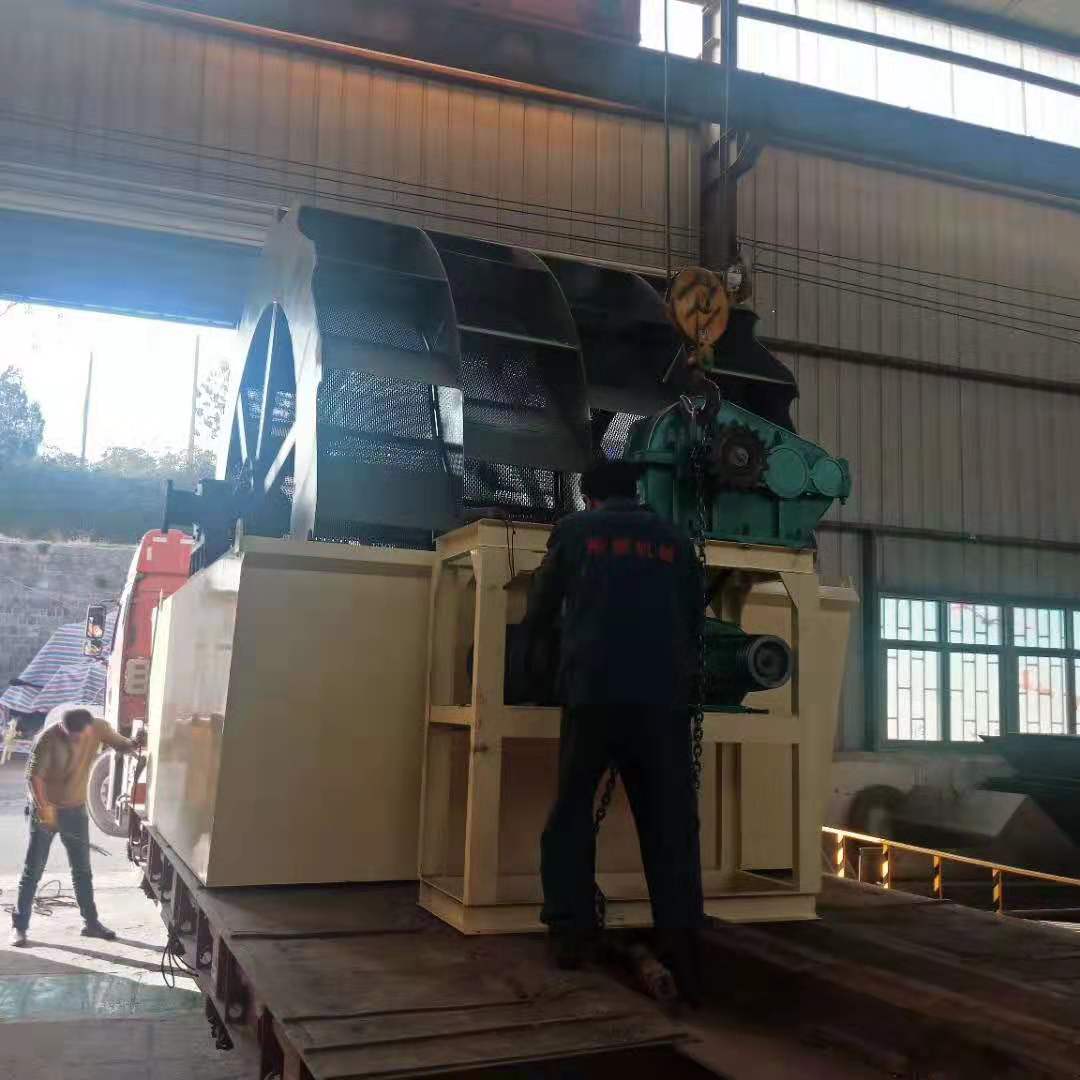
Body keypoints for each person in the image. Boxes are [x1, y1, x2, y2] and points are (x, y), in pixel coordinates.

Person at [523, 459, 705, 997]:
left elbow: (540, 608)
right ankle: (681, 940)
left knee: (572, 814)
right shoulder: (676, 541)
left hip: (593, 694)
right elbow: (694, 616)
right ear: (636, 492)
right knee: (669, 823)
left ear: (589, 497)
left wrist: (536, 661)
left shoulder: (575, 531)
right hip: (663, 702)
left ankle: (570, 934)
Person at [9, 707, 142, 947]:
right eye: (72, 736)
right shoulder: (47, 739)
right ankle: (19, 927)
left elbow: (121, 744)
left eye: (82, 735)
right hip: (46, 809)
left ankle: (91, 923)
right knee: (33, 870)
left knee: (82, 870)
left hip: (75, 810)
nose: (78, 740)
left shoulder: (98, 727)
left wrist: (135, 743)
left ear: (89, 727)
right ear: (62, 728)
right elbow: (33, 777)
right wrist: (44, 809)